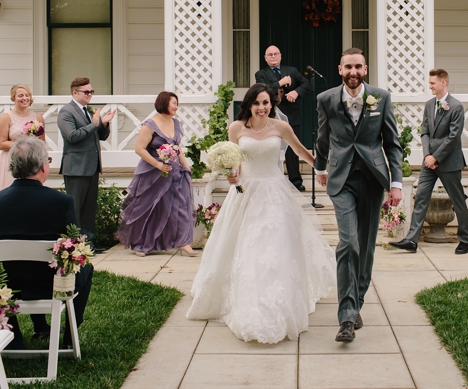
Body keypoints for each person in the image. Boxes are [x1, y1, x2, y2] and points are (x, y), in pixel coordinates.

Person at [186, 84, 335, 344]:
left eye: (266, 103)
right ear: (249, 105)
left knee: (274, 246)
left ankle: (278, 301)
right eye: (256, 103)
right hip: (246, 192)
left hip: (274, 193)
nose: (262, 108)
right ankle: (248, 299)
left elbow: (300, 150)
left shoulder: (281, 127)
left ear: (272, 104)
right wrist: (232, 173)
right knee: (246, 245)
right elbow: (235, 159)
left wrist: (322, 170)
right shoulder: (236, 128)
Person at [314, 48, 403, 342]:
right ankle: (346, 317)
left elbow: (392, 143)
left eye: (358, 67)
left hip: (373, 178)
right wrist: (320, 168)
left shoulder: (381, 97)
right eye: (348, 67)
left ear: (365, 69)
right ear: (340, 70)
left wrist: (396, 182)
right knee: (348, 243)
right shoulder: (326, 99)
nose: (353, 71)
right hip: (342, 180)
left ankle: (357, 302)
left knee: (365, 247)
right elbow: (323, 137)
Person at [0, 137, 93, 349]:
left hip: (7, 285)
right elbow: (75, 245)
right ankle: (70, 340)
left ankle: (14, 338)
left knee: (13, 268)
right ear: (42, 167)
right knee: (87, 269)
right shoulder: (61, 202)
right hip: (50, 284)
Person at [389, 68, 468, 254]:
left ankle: (465, 241)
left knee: (458, 201)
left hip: (449, 162)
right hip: (429, 163)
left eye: (433, 83)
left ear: (443, 83)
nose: (430, 86)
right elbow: (424, 132)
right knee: (421, 198)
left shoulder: (456, 106)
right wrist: (427, 156)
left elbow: (453, 137)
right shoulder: (429, 104)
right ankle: (411, 240)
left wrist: (436, 156)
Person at [117, 91, 195, 257]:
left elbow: (177, 147)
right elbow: (139, 149)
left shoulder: (176, 123)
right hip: (152, 173)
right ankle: (141, 244)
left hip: (174, 172)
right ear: (164, 103)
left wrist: (185, 165)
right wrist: (158, 165)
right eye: (174, 103)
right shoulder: (150, 125)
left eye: (177, 103)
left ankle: (183, 242)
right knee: (150, 207)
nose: (176, 107)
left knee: (179, 205)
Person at [58, 77, 114, 240]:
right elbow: (72, 136)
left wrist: (103, 124)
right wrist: (93, 124)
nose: (90, 94)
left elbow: (99, 136)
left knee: (89, 209)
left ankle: (88, 243)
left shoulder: (88, 111)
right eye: (86, 92)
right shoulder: (66, 112)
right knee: (75, 208)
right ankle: (74, 243)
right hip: (76, 167)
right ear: (75, 93)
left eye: (91, 91)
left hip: (92, 166)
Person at [255, 45, 313, 191]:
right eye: (270, 55)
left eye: (276, 54)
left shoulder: (292, 71)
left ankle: (295, 181)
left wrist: (296, 92)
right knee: (270, 148)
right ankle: (270, 180)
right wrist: (280, 83)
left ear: (280, 56)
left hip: (291, 114)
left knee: (292, 149)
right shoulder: (260, 74)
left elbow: (306, 84)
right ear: (265, 58)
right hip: (269, 117)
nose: (273, 57)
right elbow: (262, 90)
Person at [0, 84, 46, 192]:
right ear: (13, 98)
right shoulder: (6, 118)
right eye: (20, 96)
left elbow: (42, 142)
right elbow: (1, 144)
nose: (25, 98)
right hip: (12, 159)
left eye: (27, 95)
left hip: (32, 160)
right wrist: (24, 145)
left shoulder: (38, 117)